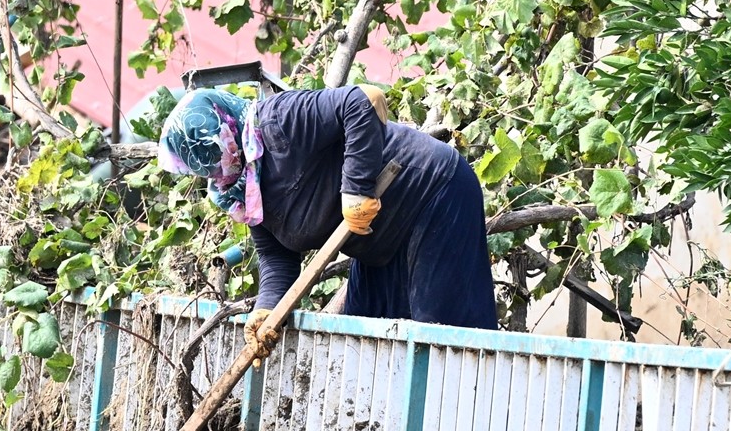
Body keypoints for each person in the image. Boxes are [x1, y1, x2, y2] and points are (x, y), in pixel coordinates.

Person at [156, 84, 497, 357]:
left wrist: (355, 190)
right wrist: (267, 310)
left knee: (441, 338)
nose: (215, 170)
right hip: (378, 244)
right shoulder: (245, 190)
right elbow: (276, 257)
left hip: (431, 192)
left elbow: (364, 102)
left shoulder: (278, 121)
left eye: (215, 154)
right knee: (366, 348)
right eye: (204, 166)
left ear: (225, 129)